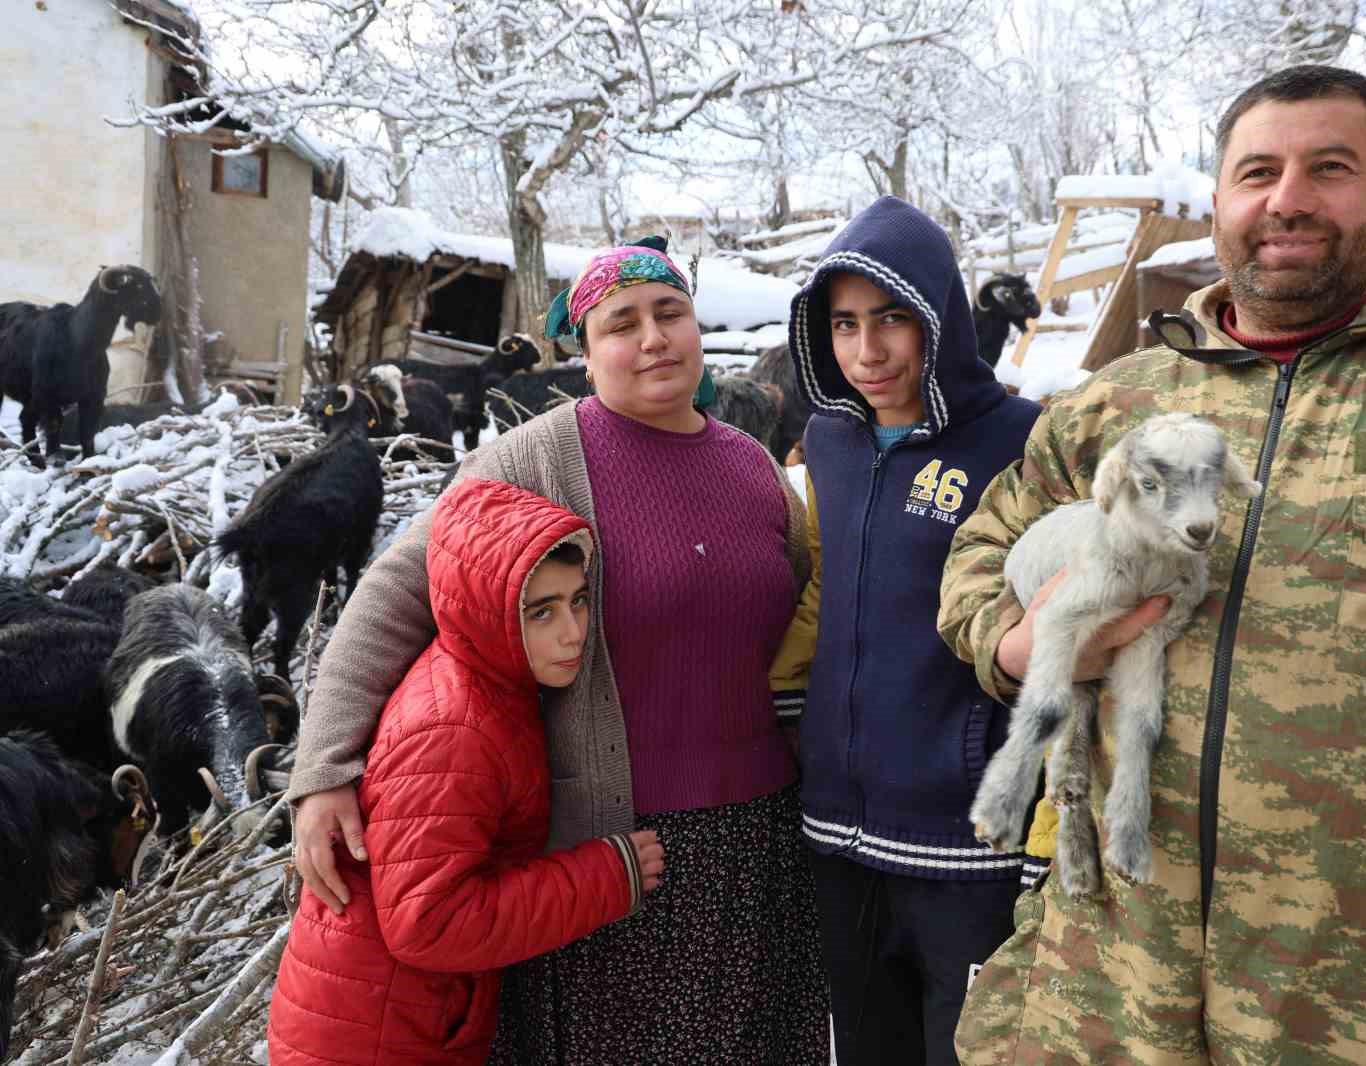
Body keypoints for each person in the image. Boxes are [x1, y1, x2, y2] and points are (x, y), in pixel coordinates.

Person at [941, 64, 1366, 1064]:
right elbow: (980, 558)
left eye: (1328, 168)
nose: (1286, 198)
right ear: (1218, 202)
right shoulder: (1113, 403)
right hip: (1114, 991)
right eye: (1257, 172)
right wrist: (1020, 640)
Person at [284, 238, 831, 1064]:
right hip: (613, 854)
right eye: (621, 324)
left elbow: (791, 621)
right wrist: (322, 770)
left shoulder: (751, 467)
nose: (652, 339)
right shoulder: (533, 462)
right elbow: (392, 599)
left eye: (670, 313)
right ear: (583, 352)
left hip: (757, 849)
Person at [767, 195, 1041, 1066]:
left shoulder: (1021, 440)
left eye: (892, 319)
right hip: (838, 831)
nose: (867, 351)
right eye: (843, 325)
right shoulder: (831, 441)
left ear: (941, 319)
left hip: (962, 839)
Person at [268, 480, 665, 1065]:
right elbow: (427, 922)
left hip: (393, 1015)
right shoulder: (455, 729)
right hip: (379, 1037)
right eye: (542, 611)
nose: (573, 631)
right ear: (487, 609)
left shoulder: (489, 684)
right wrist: (605, 876)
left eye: (579, 600)